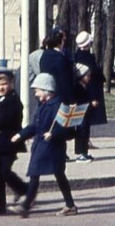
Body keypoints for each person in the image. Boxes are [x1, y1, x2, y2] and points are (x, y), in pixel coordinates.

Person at [10, 73, 78, 217]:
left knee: (58, 175)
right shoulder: (43, 105)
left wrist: (54, 134)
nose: (35, 93)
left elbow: (66, 128)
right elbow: (35, 126)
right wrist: (21, 135)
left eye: (37, 90)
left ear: (47, 90)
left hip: (54, 146)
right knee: (35, 173)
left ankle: (69, 205)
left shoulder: (59, 106)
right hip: (41, 145)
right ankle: (27, 205)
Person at [0, 69, 29, 215]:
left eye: (4, 84)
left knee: (4, 171)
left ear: (11, 83)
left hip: (9, 141)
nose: (1, 88)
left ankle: (23, 188)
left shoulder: (13, 100)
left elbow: (9, 119)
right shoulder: (1, 100)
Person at [73, 30, 108, 133]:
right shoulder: (88, 59)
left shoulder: (76, 56)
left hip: (81, 91)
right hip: (89, 93)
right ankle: (84, 140)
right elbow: (92, 79)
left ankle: (84, 139)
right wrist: (93, 97)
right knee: (86, 118)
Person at [39, 28, 76, 104]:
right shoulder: (60, 58)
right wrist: (72, 100)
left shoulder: (44, 56)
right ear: (61, 42)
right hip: (60, 98)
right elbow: (65, 80)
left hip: (47, 94)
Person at [72, 63, 97, 161]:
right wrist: (91, 103)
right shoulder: (77, 87)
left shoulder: (85, 86)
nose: (89, 77)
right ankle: (80, 153)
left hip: (86, 114)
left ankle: (85, 151)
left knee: (86, 132)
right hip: (80, 114)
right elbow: (81, 102)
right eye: (87, 75)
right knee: (81, 133)